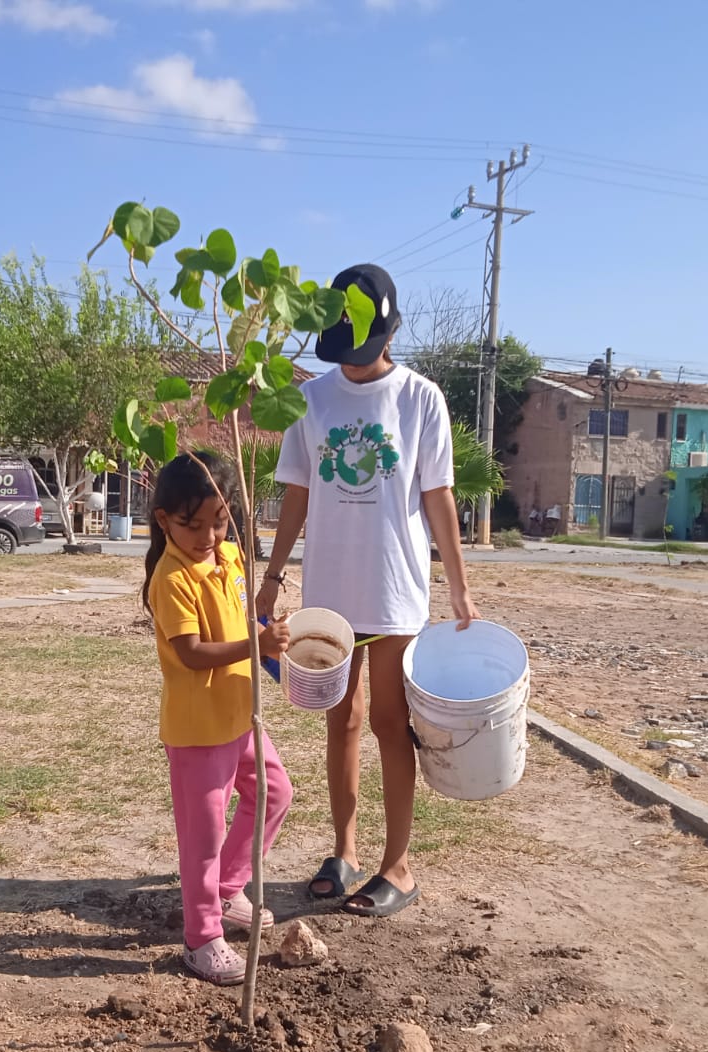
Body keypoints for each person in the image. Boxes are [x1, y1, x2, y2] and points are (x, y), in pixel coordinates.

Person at [258, 263, 479, 919]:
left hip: (395, 588)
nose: (352, 364)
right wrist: (271, 578)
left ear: (387, 334)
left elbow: (437, 496)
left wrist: (461, 587)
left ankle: (399, 867)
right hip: (330, 594)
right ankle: (345, 851)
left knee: (389, 722)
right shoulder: (312, 398)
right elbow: (297, 493)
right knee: (341, 719)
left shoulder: (420, 399)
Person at [144, 451, 294, 986]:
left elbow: (245, 615)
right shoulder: (171, 578)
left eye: (219, 520)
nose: (208, 534)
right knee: (200, 838)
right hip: (198, 732)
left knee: (275, 793)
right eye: (192, 524)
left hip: (240, 716)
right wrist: (255, 643)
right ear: (164, 521)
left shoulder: (230, 556)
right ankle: (201, 936)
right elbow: (190, 652)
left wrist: (271, 631)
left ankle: (230, 890)